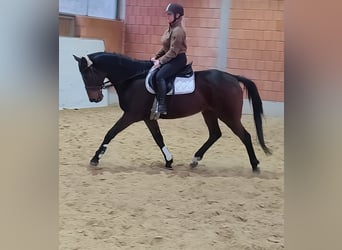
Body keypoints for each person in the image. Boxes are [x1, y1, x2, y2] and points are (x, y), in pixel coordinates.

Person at [151, 3, 187, 115]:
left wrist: (160, 61)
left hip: (178, 59)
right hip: (171, 57)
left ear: (177, 15)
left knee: (160, 75)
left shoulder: (178, 31)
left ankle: (162, 105)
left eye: (169, 14)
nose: (167, 16)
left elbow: (173, 51)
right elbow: (165, 47)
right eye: (167, 14)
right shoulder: (169, 29)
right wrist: (156, 56)